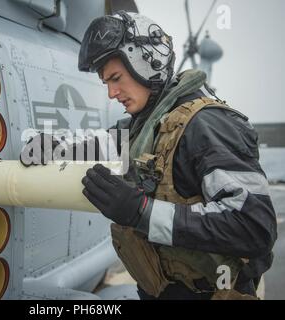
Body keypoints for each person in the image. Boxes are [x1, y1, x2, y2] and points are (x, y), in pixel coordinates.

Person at [21, 11, 277, 299]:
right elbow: (104, 142)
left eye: (115, 78)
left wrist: (140, 211)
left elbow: (254, 228)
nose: (111, 93)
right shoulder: (150, 124)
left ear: (147, 62)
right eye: (106, 82)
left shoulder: (207, 126)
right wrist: (48, 147)